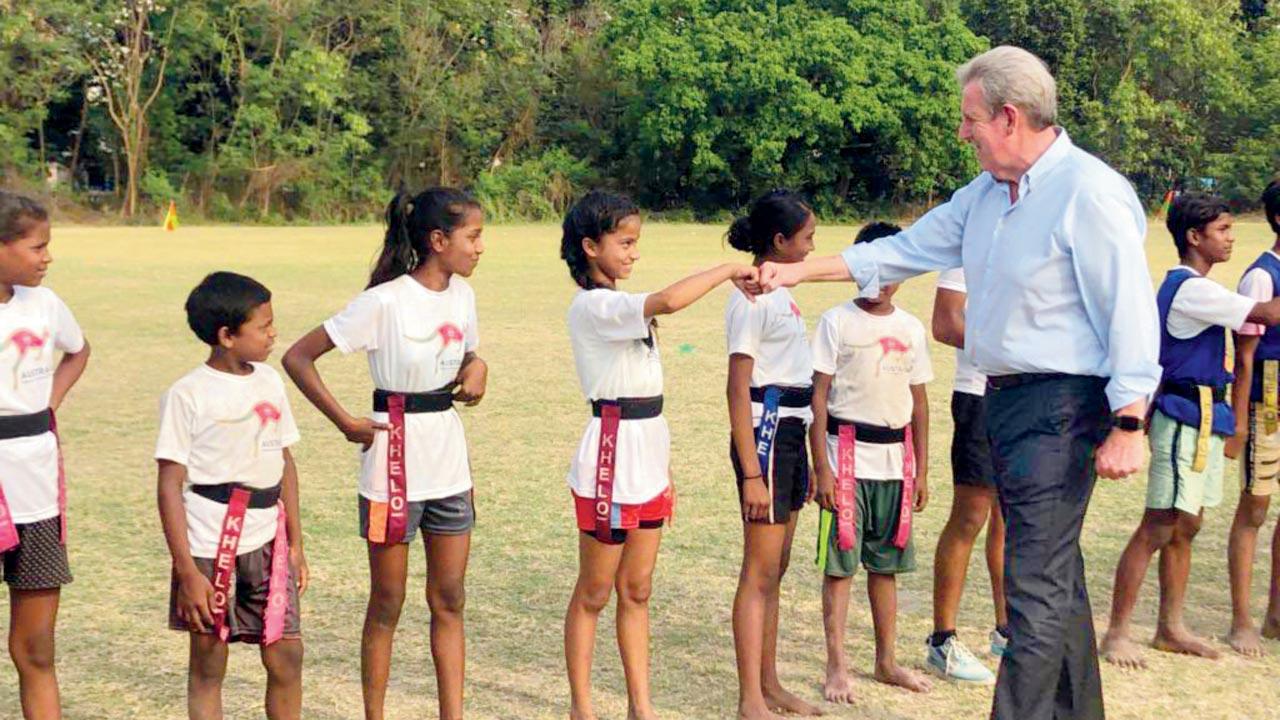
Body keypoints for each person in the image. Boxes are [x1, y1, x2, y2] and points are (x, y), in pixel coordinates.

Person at [753, 46, 1160, 720]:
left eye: (969, 119)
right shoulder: (984, 196)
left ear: (1008, 117)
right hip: (1004, 404)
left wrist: (1128, 421)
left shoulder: (1089, 192)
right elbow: (904, 249)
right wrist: (800, 271)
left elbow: (1129, 310)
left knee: (1033, 587)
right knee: (1057, 580)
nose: (961, 131)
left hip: (1062, 408)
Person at [283, 188, 487, 720]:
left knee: (450, 600)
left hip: (448, 463)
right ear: (439, 240)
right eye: (474, 236)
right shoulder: (384, 301)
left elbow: (466, 352)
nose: (480, 247)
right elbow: (299, 357)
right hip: (392, 467)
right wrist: (345, 421)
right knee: (387, 603)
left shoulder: (463, 296)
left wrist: (477, 366)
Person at [559, 190, 756, 720]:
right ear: (589, 247)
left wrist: (664, 468)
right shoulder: (595, 305)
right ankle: (582, 706)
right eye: (624, 243)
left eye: (635, 243)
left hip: (646, 456)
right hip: (610, 462)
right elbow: (667, 301)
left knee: (638, 589)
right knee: (595, 591)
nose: (633, 254)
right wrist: (727, 270)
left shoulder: (619, 303)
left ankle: (640, 706)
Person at [1101, 193, 1280, 668]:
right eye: (1222, 230)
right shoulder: (1190, 288)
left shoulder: (1196, 286)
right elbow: (1265, 314)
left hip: (1203, 415)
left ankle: (1169, 627)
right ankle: (1118, 631)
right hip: (1183, 415)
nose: (1231, 239)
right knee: (1159, 522)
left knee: (1187, 523)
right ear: (1193, 237)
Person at [157, 271, 306, 719]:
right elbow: (169, 484)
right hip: (206, 543)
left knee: (286, 656)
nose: (273, 334)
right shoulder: (187, 394)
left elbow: (286, 462)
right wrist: (187, 572)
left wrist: (296, 543)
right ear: (226, 335)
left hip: (267, 540)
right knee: (208, 663)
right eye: (263, 326)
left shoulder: (270, 381)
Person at [812, 222, 932, 701]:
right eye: (872, 267)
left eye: (893, 268)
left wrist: (922, 469)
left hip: (895, 465)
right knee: (840, 567)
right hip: (845, 461)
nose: (882, 278)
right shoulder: (836, 322)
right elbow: (818, 398)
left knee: (886, 566)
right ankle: (836, 664)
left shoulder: (910, 328)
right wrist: (822, 468)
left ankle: (886, 660)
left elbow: (920, 404)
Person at [723, 190, 822, 719]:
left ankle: (771, 683)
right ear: (779, 242)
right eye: (807, 238)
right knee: (758, 571)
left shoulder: (784, 292)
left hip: (791, 433)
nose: (812, 248)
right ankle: (750, 699)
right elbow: (738, 389)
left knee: (777, 568)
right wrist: (752, 474)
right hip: (764, 432)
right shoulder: (750, 296)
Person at [0, 191, 91, 719]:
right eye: (36, 247)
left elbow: (78, 350)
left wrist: (49, 400)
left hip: (36, 497)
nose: (46, 257)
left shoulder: (45, 304)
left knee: (35, 648)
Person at [924, 266, 1006, 685]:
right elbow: (947, 321)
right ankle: (943, 640)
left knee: (1010, 517)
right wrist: (1012, 348)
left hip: (1025, 395)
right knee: (970, 516)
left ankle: (1007, 629)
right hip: (980, 393)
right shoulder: (967, 253)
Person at [1225, 179, 1280, 656]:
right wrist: (1240, 421)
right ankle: (1242, 618)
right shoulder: (1262, 276)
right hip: (1269, 407)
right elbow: (1245, 356)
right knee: (1255, 509)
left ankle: (1275, 614)